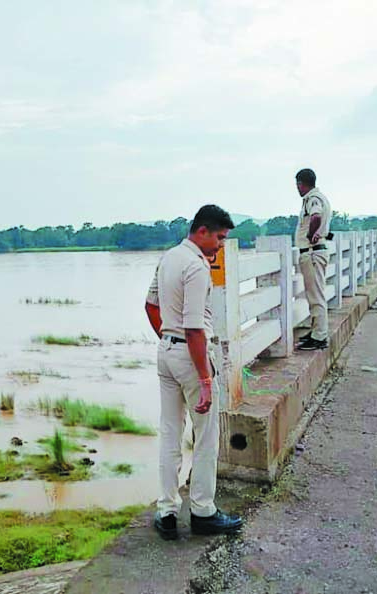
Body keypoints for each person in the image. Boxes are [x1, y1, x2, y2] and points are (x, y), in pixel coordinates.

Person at [145, 204, 243, 540]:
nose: (219, 245)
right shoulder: (197, 267)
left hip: (166, 352)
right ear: (202, 231)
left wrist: (166, 337)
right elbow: (194, 329)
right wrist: (204, 379)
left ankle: (167, 510)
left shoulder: (168, 258)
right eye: (219, 237)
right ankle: (203, 510)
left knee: (170, 432)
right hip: (191, 355)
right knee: (205, 436)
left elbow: (150, 305)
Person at [294, 168, 333, 351]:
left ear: (301, 183)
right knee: (315, 294)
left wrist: (311, 234)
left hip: (312, 252)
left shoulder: (312, 199)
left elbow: (316, 216)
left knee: (315, 295)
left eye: (298, 184)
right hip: (316, 251)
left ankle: (319, 336)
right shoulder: (321, 197)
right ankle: (317, 331)